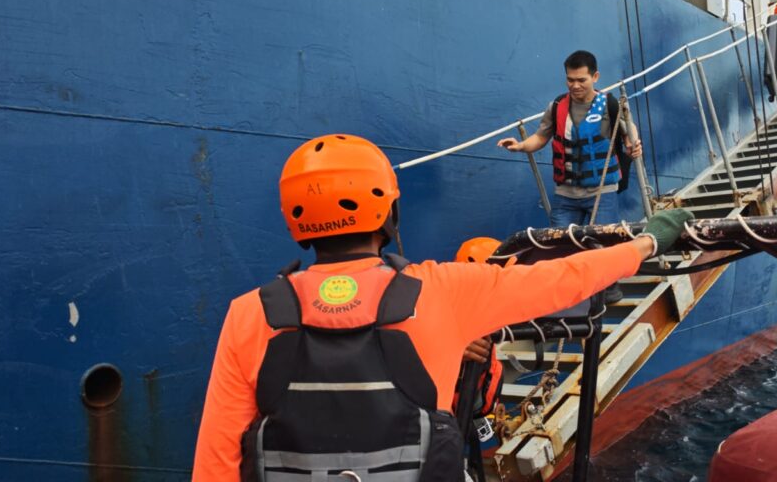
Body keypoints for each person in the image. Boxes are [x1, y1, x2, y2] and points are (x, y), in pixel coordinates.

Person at [192, 134, 691, 482]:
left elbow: (216, 462)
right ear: (389, 211)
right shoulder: (444, 289)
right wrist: (646, 243)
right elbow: (564, 279)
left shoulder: (250, 313)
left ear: (293, 218)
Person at [497, 50, 643, 229]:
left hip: (602, 193)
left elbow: (630, 130)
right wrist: (520, 146)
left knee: (601, 248)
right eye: (570, 80)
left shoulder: (610, 105)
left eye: (581, 80)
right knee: (561, 246)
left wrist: (632, 144)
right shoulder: (557, 107)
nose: (575, 85)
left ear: (595, 76)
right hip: (566, 196)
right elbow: (540, 137)